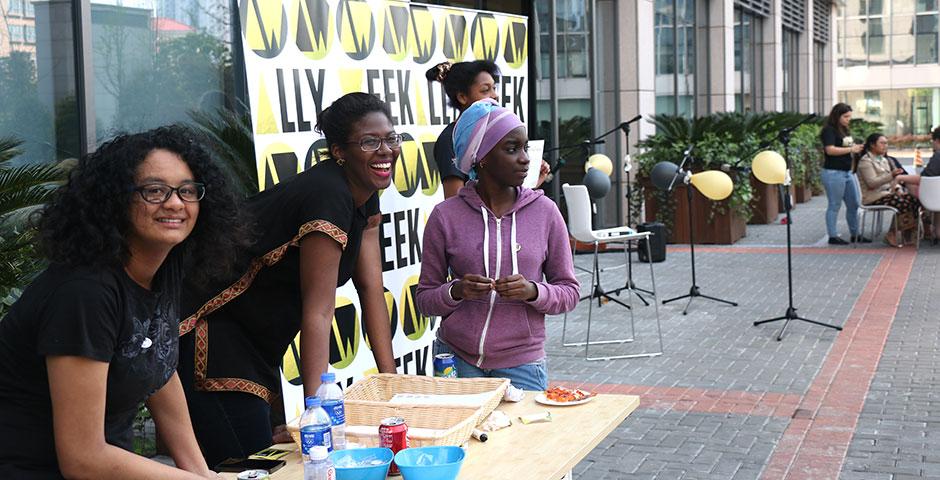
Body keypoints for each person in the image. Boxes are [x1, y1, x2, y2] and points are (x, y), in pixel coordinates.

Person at [0, 126, 245, 479]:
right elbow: (82, 458)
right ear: (116, 198)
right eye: (154, 190)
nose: (175, 203)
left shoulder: (161, 265)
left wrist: (202, 472)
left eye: (187, 191)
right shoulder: (85, 293)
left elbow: (159, 366)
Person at [179, 92, 399, 466]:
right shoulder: (328, 194)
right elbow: (318, 310)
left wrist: (394, 387)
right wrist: (320, 417)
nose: (385, 151)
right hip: (213, 337)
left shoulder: (366, 191)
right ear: (338, 151)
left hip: (257, 345)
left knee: (273, 458)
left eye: (391, 138)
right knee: (249, 466)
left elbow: (371, 289)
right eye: (369, 141)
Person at [415, 99, 580, 391]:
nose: (525, 159)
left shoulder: (546, 212)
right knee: (462, 437)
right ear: (481, 158)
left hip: (523, 366)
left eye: (525, 148)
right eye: (512, 149)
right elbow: (425, 299)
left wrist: (533, 291)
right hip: (456, 360)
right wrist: (456, 290)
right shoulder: (446, 216)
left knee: (523, 438)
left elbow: (569, 293)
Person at [426, 61, 549, 198]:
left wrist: (528, 183)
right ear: (462, 97)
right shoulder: (449, 139)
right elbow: (455, 203)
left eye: (494, 88)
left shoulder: (496, 132)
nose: (494, 96)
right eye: (485, 90)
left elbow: (500, 196)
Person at [857, 133, 922, 247]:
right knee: (903, 203)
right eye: (882, 143)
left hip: (886, 193)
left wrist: (897, 188)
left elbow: (891, 181)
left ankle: (907, 232)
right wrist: (891, 175)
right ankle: (892, 233)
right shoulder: (865, 161)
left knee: (914, 200)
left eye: (886, 143)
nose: (885, 146)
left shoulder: (883, 159)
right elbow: (872, 183)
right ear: (872, 145)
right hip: (873, 196)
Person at [820, 103, 868, 245]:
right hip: (833, 173)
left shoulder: (845, 130)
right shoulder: (829, 131)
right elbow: (830, 150)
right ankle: (833, 235)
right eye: (845, 116)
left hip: (848, 172)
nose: (848, 119)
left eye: (849, 117)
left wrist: (856, 149)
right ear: (837, 116)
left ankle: (855, 234)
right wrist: (851, 150)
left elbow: (846, 147)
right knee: (834, 205)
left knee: (854, 204)